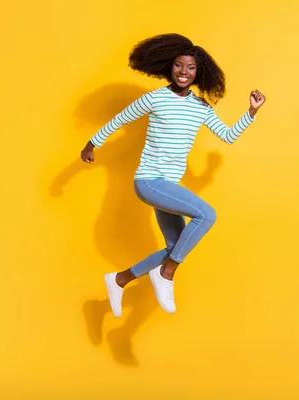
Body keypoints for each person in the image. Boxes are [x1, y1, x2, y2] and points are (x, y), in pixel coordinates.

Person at [80, 33, 266, 317]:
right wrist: (91, 144)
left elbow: (227, 136)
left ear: (198, 72)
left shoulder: (200, 107)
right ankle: (166, 274)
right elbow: (119, 120)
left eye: (190, 68)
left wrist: (251, 112)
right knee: (207, 215)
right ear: (170, 67)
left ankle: (120, 280)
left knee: (175, 246)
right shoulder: (154, 99)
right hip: (149, 181)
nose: (184, 72)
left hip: (168, 186)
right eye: (179, 66)